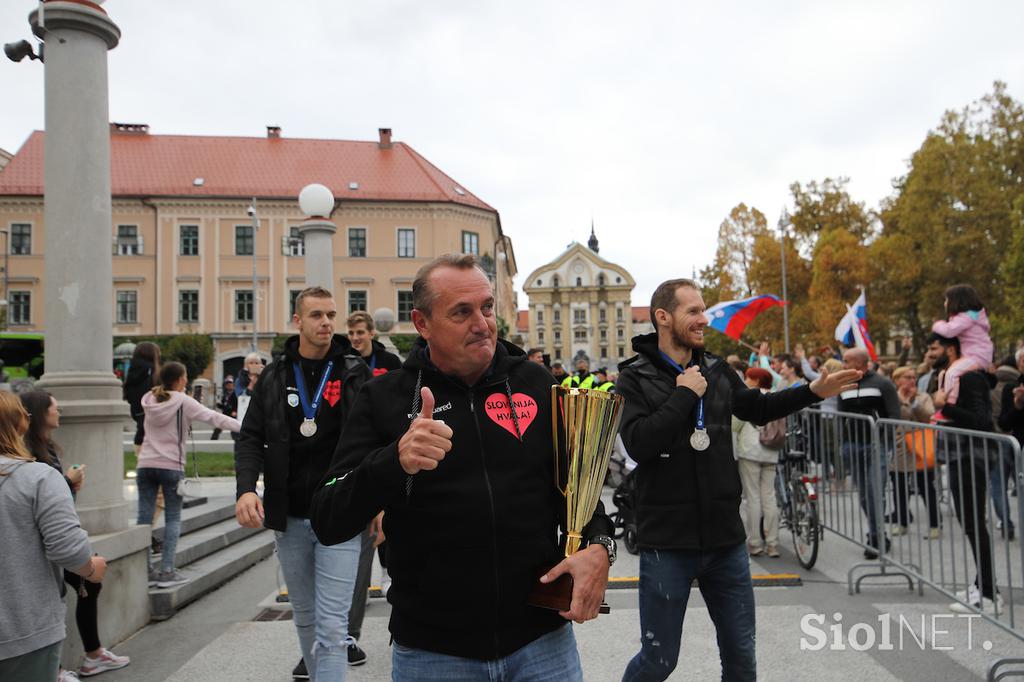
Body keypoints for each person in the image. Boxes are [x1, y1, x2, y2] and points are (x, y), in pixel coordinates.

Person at [310, 255, 614, 682]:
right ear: (422, 323)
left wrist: (601, 547)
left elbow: (579, 489)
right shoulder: (385, 397)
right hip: (434, 652)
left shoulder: (537, 384)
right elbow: (328, 517)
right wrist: (394, 460)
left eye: (487, 308)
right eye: (461, 312)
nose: (482, 323)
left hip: (541, 644)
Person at [615, 278, 859, 682]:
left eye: (703, 310)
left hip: (725, 541)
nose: (703, 319)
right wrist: (683, 396)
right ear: (663, 317)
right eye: (692, 311)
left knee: (742, 659)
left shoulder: (715, 368)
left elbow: (759, 408)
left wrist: (812, 391)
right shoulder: (634, 378)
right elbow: (639, 444)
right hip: (667, 542)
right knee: (658, 661)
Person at [234, 287, 370, 682]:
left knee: (331, 627)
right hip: (289, 516)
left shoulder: (352, 372)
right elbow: (250, 438)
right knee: (307, 621)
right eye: (316, 315)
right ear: (298, 321)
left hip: (339, 516)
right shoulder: (275, 376)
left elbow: (372, 440)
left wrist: (377, 502)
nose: (326, 322)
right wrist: (246, 488)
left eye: (331, 315)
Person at [19, 391, 129, 679]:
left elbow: (56, 505)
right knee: (75, 584)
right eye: (55, 407)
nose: (60, 412)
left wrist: (69, 486)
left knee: (88, 585)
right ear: (40, 413)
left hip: (52, 540)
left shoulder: (47, 448)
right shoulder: (29, 454)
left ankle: (90, 655)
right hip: (40, 546)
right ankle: (59, 667)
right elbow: (39, 501)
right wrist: (67, 481)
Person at [0, 391, 108, 682]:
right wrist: (91, 568)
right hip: (23, 630)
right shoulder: (38, 478)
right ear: (19, 425)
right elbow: (66, 548)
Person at [139, 362, 241, 589]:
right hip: (170, 465)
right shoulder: (182, 401)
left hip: (145, 464)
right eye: (185, 377)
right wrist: (246, 427)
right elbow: (215, 418)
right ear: (181, 379)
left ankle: (145, 570)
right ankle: (166, 571)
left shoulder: (149, 399)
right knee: (173, 518)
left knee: (143, 519)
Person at [344, 309, 403, 667]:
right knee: (364, 551)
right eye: (351, 333)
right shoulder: (346, 366)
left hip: (394, 459)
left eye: (360, 332)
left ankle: (404, 627)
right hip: (362, 462)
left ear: (371, 333)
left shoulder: (390, 361)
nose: (355, 338)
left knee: (397, 550)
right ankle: (351, 635)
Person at [929, 334, 1002, 614]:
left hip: (972, 457)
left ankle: (988, 593)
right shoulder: (954, 376)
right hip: (961, 457)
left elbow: (982, 421)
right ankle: (983, 585)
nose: (931, 353)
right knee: (970, 522)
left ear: (951, 348)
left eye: (935, 348)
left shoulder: (970, 377)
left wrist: (943, 407)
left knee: (974, 522)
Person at [837, 347, 900, 559]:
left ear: (859, 363)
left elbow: (893, 415)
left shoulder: (882, 383)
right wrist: (842, 443)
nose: (843, 365)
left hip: (876, 446)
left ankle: (875, 536)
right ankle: (877, 533)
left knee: (875, 492)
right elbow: (840, 416)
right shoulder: (843, 384)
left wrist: (885, 442)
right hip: (852, 446)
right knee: (864, 495)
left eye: (846, 361)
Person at [732, 367, 781, 558]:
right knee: (769, 497)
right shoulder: (776, 396)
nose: (745, 380)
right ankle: (773, 544)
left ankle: (755, 543)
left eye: (749, 377)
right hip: (771, 451)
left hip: (750, 450)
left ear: (756, 381)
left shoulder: (749, 397)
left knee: (753, 498)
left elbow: (735, 425)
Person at [889, 367, 940, 539]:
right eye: (907, 377)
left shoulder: (923, 397)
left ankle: (934, 525)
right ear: (897, 380)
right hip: (899, 445)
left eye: (913, 377)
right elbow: (893, 417)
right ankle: (902, 522)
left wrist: (913, 404)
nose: (912, 381)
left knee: (926, 486)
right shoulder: (892, 398)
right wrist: (902, 402)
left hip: (920, 445)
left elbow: (929, 418)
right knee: (899, 486)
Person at [931, 284, 993, 421]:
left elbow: (948, 331)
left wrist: (937, 324)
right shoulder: (970, 317)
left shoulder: (966, 318)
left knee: (953, 373)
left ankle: (949, 404)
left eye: (946, 300)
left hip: (977, 355)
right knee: (945, 373)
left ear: (956, 301)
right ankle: (946, 400)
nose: (945, 303)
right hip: (974, 354)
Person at [123, 342, 160, 455]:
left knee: (141, 433)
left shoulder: (133, 369)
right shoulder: (152, 371)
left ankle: (140, 455)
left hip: (137, 410)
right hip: (150, 410)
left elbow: (129, 390)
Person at [210, 375, 236, 441]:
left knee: (234, 430)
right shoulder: (225, 395)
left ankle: (237, 442)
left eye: (230, 383)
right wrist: (219, 405)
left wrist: (236, 411)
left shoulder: (236, 394)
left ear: (233, 384)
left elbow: (239, 404)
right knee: (218, 428)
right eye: (227, 383)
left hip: (233, 415)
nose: (229, 385)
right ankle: (213, 441)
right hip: (225, 414)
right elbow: (224, 406)